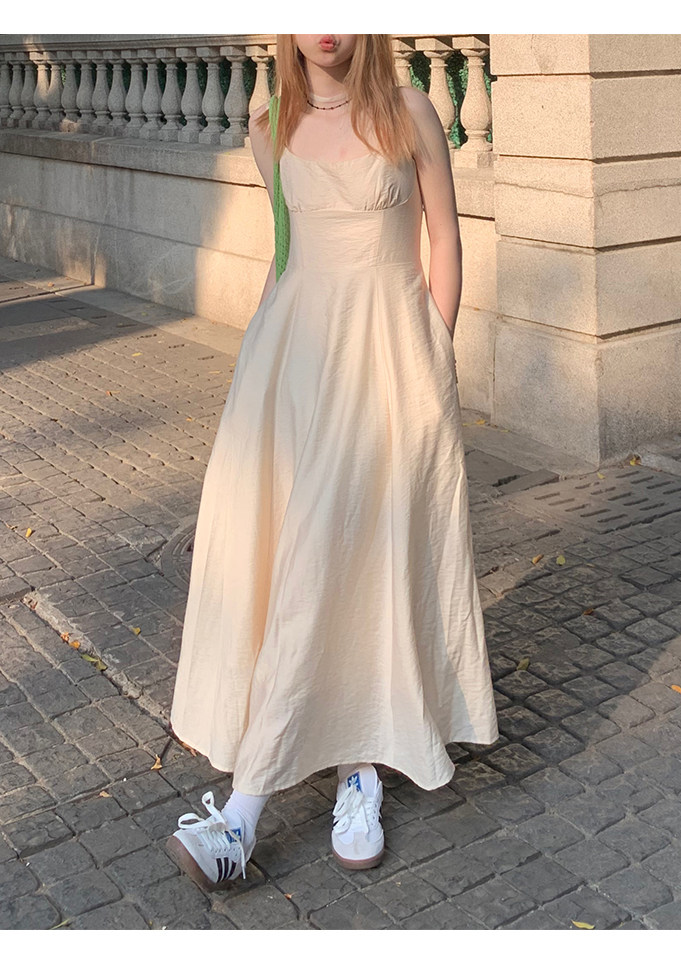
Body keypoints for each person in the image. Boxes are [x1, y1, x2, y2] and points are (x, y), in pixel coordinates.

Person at [165, 34, 499, 892]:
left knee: (352, 556)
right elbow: (285, 256)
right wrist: (252, 371)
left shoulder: (412, 113)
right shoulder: (268, 125)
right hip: (293, 363)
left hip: (391, 364)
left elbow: (445, 241)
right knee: (306, 556)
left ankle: (252, 812)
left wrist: (435, 357)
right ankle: (352, 770)